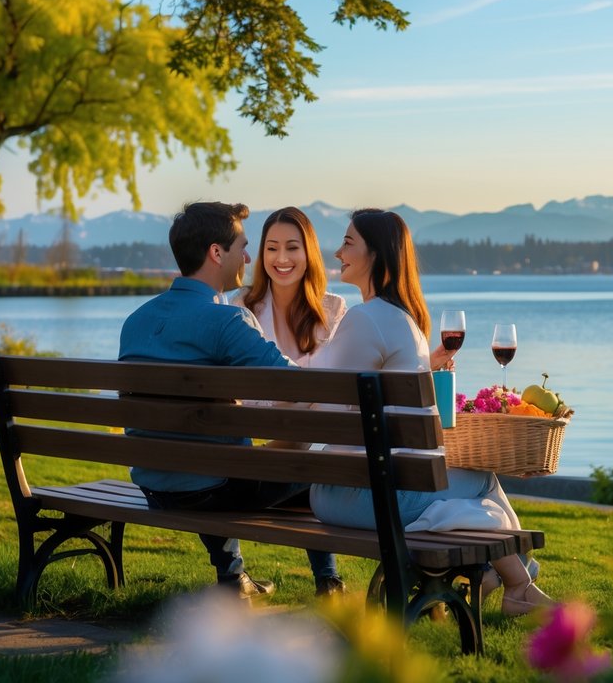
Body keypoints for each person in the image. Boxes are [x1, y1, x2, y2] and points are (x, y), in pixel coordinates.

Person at [309, 208, 550, 616]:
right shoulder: (397, 320)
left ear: (377, 254)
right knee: (480, 480)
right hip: (350, 495)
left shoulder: (368, 319)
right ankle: (517, 580)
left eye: (348, 243)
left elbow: (327, 403)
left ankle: (514, 581)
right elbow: (334, 405)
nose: (336, 252)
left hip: (345, 487)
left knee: (476, 480)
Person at [118, 201, 343, 599]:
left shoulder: (136, 320)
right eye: (242, 245)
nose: (248, 256)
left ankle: (233, 577)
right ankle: (330, 582)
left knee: (210, 458)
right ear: (216, 253)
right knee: (317, 470)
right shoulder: (226, 321)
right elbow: (300, 388)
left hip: (153, 485)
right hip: (212, 489)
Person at [231, 206, 345, 366]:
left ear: (308, 253)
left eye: (292, 248)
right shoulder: (243, 304)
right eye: (272, 248)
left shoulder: (334, 309)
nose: (282, 258)